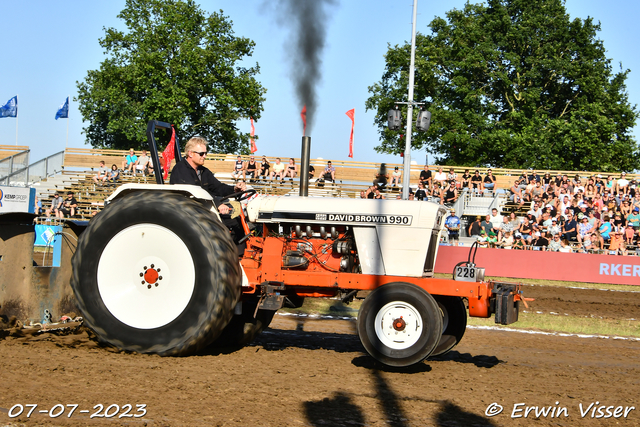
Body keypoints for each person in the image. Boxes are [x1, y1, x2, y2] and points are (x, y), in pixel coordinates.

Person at [170, 136, 246, 215]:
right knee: (232, 219)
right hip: (186, 211)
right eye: (201, 154)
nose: (204, 156)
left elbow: (218, 187)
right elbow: (196, 192)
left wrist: (235, 189)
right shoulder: (181, 169)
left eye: (205, 153)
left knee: (237, 213)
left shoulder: (203, 171)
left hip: (200, 209)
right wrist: (217, 204)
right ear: (190, 153)